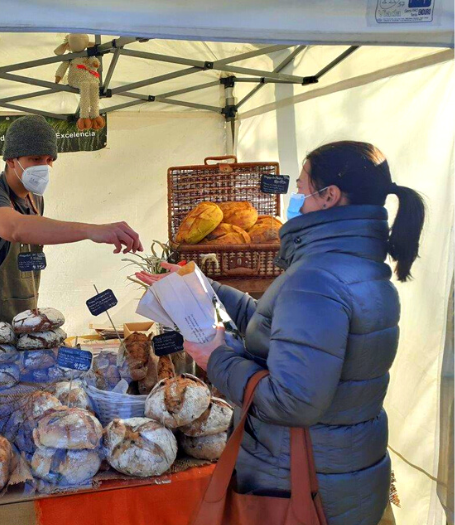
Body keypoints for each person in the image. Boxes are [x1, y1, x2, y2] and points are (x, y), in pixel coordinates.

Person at [136, 141, 426, 525]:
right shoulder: (353, 265)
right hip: (344, 470)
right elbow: (281, 331)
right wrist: (205, 287)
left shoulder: (317, 278)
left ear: (330, 197)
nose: (295, 199)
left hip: (302, 484)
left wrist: (215, 358)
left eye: (302, 188)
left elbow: (292, 402)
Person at [0, 115, 143, 328]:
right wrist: (91, 230)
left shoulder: (35, 199)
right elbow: (15, 228)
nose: (44, 166)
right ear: (11, 160)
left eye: (49, 160)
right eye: (35, 159)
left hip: (21, 315)